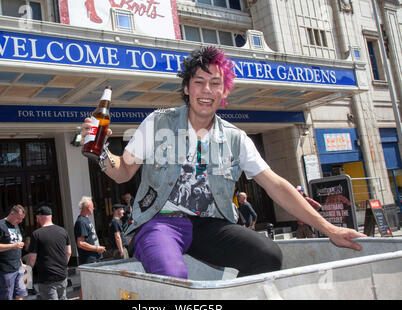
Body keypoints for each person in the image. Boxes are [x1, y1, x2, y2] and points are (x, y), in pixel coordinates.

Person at [81, 46, 366, 279]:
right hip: (160, 223)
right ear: (186, 88)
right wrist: (102, 152)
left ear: (224, 91)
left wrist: (330, 229)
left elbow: (276, 185)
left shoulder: (235, 138)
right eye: (199, 82)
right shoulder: (158, 123)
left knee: (268, 255)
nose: (207, 90)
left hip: (210, 225)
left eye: (215, 83)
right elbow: (123, 172)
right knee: (173, 275)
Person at [28, 206, 71, 300]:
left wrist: (27, 274)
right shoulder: (63, 231)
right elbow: (68, 252)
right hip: (62, 275)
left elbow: (32, 259)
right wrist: (62, 266)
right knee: (63, 297)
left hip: (46, 277)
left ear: (39, 217)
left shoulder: (36, 234)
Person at [0, 204, 28, 300]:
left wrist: (21, 263)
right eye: (19, 218)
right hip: (4, 269)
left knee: (20, 294)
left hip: (17, 267)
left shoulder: (16, 226)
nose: (20, 221)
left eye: (22, 219)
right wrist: (12, 246)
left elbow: (17, 248)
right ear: (11, 213)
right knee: (6, 297)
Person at [74, 196, 105, 265]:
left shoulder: (86, 220)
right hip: (89, 260)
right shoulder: (81, 222)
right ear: (88, 207)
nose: (93, 208)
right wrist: (97, 248)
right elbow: (81, 243)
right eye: (92, 206)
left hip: (94, 258)